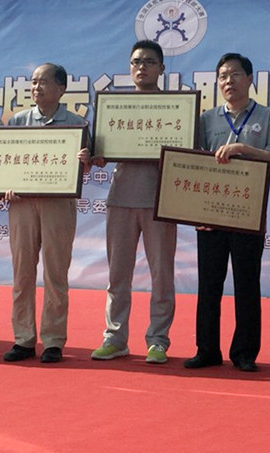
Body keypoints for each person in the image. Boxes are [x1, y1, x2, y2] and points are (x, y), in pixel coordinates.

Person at [183, 53, 270, 371]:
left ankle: (244, 353)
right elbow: (194, 162)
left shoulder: (268, 116)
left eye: (236, 74)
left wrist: (243, 149)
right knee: (209, 285)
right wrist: (195, 213)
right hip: (211, 214)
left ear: (250, 79)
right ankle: (207, 350)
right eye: (223, 76)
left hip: (247, 213)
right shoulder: (206, 119)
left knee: (247, 284)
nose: (229, 81)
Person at [90, 40, 177, 364]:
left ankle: (158, 340)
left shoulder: (177, 109)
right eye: (137, 62)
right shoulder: (116, 108)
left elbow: (188, 154)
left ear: (161, 68)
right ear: (130, 68)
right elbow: (97, 151)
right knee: (118, 275)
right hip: (122, 198)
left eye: (150, 62)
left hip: (161, 202)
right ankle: (114, 338)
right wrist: (95, 156)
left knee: (162, 276)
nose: (142, 67)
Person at [1, 63, 90, 363]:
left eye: (43, 82)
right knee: (22, 273)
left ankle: (53, 340)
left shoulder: (76, 124)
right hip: (22, 204)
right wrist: (6, 187)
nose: (36, 87)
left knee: (55, 273)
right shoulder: (18, 122)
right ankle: (23, 339)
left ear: (61, 88)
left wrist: (85, 159)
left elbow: (87, 166)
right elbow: (6, 163)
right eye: (33, 82)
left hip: (57, 204)